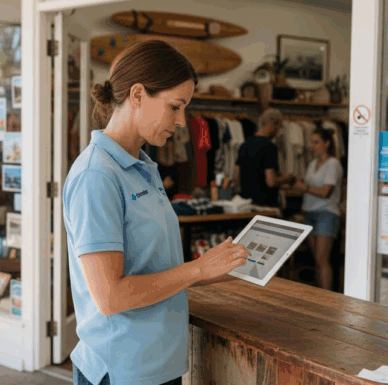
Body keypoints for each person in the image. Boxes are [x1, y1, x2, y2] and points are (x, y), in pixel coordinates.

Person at [63, 40, 252, 385]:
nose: (182, 121)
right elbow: (111, 296)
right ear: (137, 95)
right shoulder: (97, 175)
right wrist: (197, 269)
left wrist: (218, 268)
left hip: (157, 366)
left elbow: (153, 269)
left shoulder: (143, 167)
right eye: (175, 107)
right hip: (122, 371)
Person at [294, 126, 344, 291]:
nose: (312, 146)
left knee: (322, 259)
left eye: (316, 142)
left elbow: (325, 191)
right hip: (310, 213)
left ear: (327, 144)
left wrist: (303, 187)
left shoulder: (333, 164)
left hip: (326, 214)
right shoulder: (313, 163)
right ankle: (319, 296)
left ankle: (327, 298)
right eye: (312, 142)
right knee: (316, 259)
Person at [233, 108, 296, 207]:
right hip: (265, 204)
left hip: (246, 204)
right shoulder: (269, 147)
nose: (277, 132)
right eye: (279, 127)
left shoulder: (245, 144)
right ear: (273, 124)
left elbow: (236, 175)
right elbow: (270, 181)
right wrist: (287, 178)